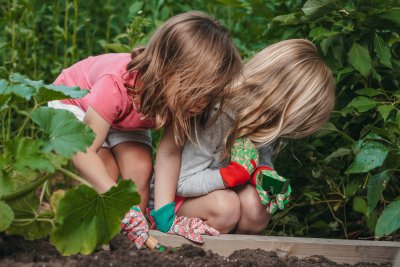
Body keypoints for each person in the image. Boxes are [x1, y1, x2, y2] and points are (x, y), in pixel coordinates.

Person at [48, 11, 242, 247]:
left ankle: (132, 243)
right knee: (105, 172)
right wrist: (118, 203)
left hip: (128, 116)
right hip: (76, 101)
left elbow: (169, 153)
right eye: (196, 92)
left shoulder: (181, 100)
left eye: (208, 95)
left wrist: (165, 219)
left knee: (140, 170)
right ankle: (86, 232)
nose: (202, 103)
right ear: (167, 68)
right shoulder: (115, 84)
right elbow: (83, 150)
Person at [150, 39, 335, 236]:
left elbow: (260, 158)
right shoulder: (216, 115)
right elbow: (181, 182)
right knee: (226, 207)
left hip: (219, 194)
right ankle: (197, 253)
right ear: (279, 108)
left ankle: (235, 255)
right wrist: (228, 176)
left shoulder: (260, 120)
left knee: (257, 207)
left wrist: (264, 175)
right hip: (175, 201)